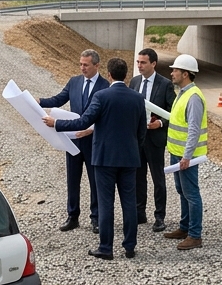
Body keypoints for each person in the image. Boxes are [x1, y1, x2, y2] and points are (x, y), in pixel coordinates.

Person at [45, 58, 146, 260]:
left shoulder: (101, 96)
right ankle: (129, 247)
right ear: (125, 75)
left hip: (104, 159)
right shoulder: (137, 98)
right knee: (129, 203)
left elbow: (83, 121)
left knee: (106, 203)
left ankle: (106, 248)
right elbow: (141, 130)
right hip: (129, 159)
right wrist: (133, 149)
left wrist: (56, 123)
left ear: (109, 74)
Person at [39, 49, 109, 233]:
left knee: (95, 181)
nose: (82, 68)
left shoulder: (105, 86)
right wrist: (38, 101)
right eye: (80, 64)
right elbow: (59, 99)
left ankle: (96, 218)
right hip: (72, 141)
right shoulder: (74, 82)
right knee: (72, 180)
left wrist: (91, 129)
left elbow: (106, 116)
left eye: (86, 65)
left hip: (93, 141)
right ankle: (73, 216)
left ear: (96, 65)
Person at [164, 54, 206, 250]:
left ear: (186, 74)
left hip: (186, 156)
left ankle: (195, 235)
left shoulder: (194, 97)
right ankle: (184, 227)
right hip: (177, 152)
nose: (172, 73)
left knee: (191, 193)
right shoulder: (182, 92)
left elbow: (194, 130)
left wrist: (187, 156)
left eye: (175, 70)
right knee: (182, 191)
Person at [132, 48, 175, 232]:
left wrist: (161, 123)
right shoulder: (134, 82)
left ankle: (160, 217)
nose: (139, 66)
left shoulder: (165, 84)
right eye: (138, 62)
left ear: (153, 64)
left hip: (155, 139)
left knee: (158, 179)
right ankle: (139, 213)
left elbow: (174, 112)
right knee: (138, 177)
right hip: (137, 139)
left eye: (143, 63)